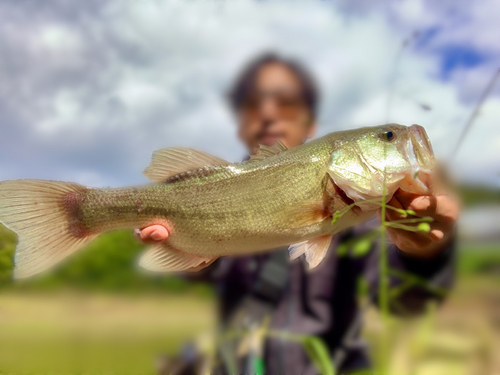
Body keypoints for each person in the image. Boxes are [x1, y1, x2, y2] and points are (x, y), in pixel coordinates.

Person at [135, 53, 459, 374]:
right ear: (242, 121)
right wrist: (185, 248)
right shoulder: (214, 183)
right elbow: (198, 277)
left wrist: (426, 253)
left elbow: (405, 301)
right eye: (252, 105)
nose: (268, 115)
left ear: (310, 123)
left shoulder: (369, 218)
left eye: (285, 104)